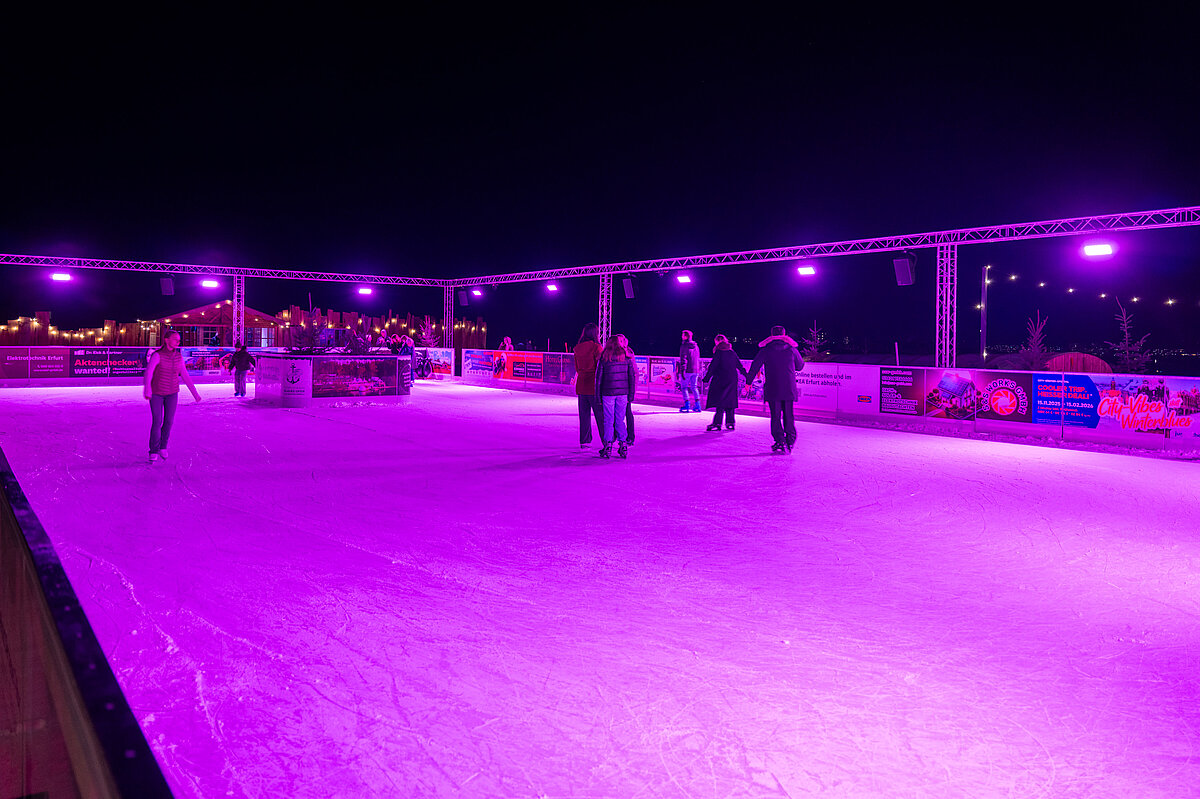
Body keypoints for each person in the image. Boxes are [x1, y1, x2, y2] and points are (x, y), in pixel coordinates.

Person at [143, 330, 202, 463]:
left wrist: (195, 393)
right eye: (175, 339)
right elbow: (149, 372)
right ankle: (153, 450)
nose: (178, 342)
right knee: (157, 421)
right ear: (166, 340)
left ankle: (163, 447)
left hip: (172, 393)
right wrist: (147, 388)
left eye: (179, 340)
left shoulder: (178, 356)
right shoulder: (157, 355)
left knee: (169, 421)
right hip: (157, 393)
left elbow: (185, 375)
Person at [746, 325, 805, 453]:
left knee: (776, 415)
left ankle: (780, 441)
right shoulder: (792, 349)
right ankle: (790, 441)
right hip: (788, 387)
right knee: (789, 415)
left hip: (773, 387)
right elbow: (800, 366)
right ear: (784, 335)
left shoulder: (766, 350)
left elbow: (755, 365)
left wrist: (748, 381)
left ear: (771, 335)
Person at [594, 336, 636, 458]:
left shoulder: (604, 358)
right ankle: (623, 445)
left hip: (608, 393)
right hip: (623, 393)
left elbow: (598, 379)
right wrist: (631, 395)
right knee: (620, 419)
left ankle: (608, 446)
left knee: (608, 420)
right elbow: (631, 377)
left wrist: (598, 397)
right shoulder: (626, 357)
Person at [702, 334, 749, 431]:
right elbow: (739, 365)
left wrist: (706, 378)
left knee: (720, 401)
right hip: (732, 379)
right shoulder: (731, 352)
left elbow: (713, 366)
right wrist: (747, 376)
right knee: (730, 400)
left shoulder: (718, 352)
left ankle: (717, 423)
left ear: (716, 342)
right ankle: (730, 422)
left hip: (720, 379)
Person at [573, 323, 603, 448]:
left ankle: (585, 441)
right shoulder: (597, 347)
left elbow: (576, 367)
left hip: (581, 385)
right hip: (594, 385)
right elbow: (600, 367)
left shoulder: (577, 348)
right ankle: (607, 441)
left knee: (584, 415)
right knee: (600, 415)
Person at [617, 333, 637, 445]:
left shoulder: (628, 353)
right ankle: (619, 435)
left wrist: (632, 390)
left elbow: (633, 373)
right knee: (618, 413)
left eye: (621, 340)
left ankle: (630, 436)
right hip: (618, 388)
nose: (618, 342)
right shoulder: (616, 353)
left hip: (626, 388)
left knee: (627, 411)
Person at [678, 329, 702, 412]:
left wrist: (682, 370)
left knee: (684, 387)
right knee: (694, 387)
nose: (682, 336)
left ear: (685, 336)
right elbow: (697, 357)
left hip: (687, 370)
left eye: (683, 335)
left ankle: (687, 405)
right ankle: (698, 405)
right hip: (696, 370)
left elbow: (683, 358)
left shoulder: (684, 346)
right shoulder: (696, 346)